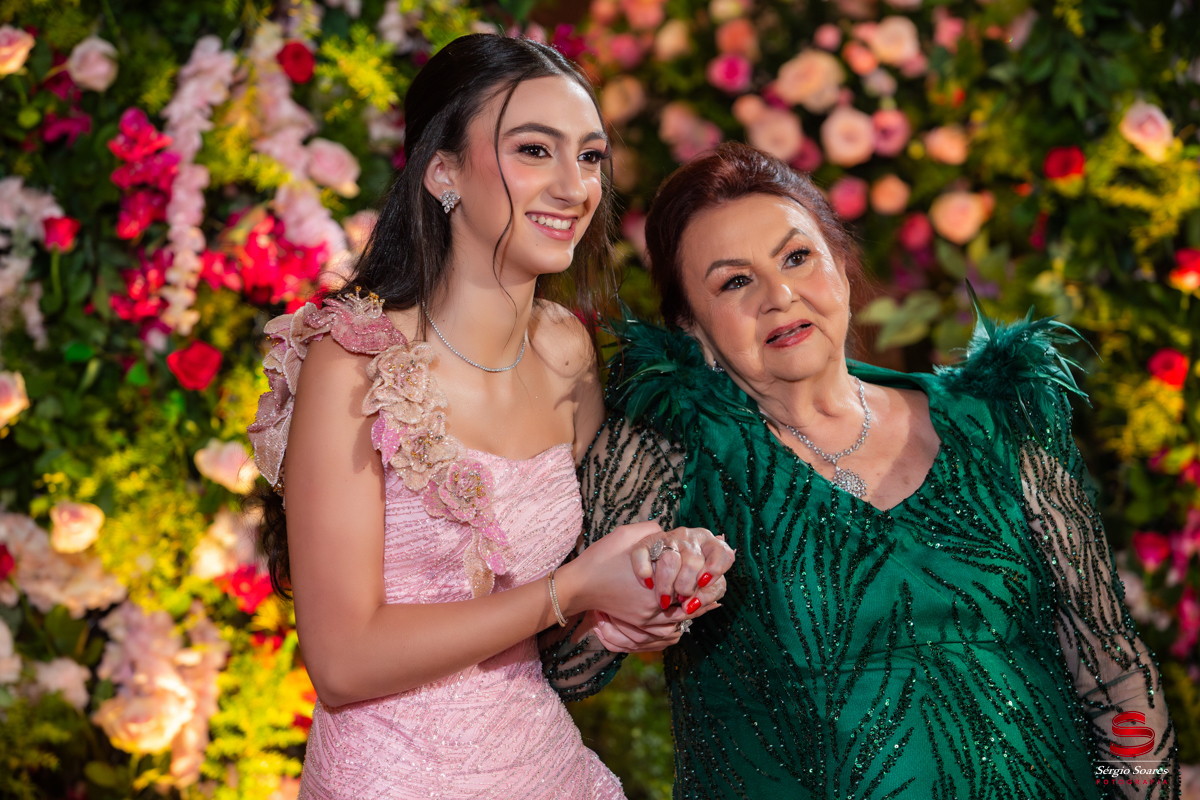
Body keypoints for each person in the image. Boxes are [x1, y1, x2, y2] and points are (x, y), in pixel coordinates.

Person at [567, 142, 1178, 798]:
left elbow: (1113, 673)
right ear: (691, 325)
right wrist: (638, 597)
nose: (780, 296)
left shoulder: (996, 418)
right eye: (734, 282)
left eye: (797, 257)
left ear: (840, 265)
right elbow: (571, 668)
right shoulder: (668, 449)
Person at [246, 34, 734, 799]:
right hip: (390, 779)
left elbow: (550, 623)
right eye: (535, 150)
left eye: (590, 156)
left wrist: (637, 598)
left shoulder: (565, 350)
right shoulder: (355, 362)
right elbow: (341, 662)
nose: (574, 186)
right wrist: (571, 589)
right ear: (442, 171)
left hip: (541, 763)